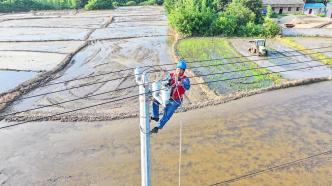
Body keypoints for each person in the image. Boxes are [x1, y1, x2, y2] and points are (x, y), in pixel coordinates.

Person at [150, 59, 190, 134]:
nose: (178, 70)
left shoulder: (185, 79)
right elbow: (166, 80)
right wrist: (166, 82)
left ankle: (158, 127)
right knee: (155, 101)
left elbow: (187, 86)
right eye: (178, 69)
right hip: (167, 97)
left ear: (183, 71)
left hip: (176, 101)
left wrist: (181, 82)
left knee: (167, 113)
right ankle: (155, 116)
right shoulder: (171, 75)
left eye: (180, 69)